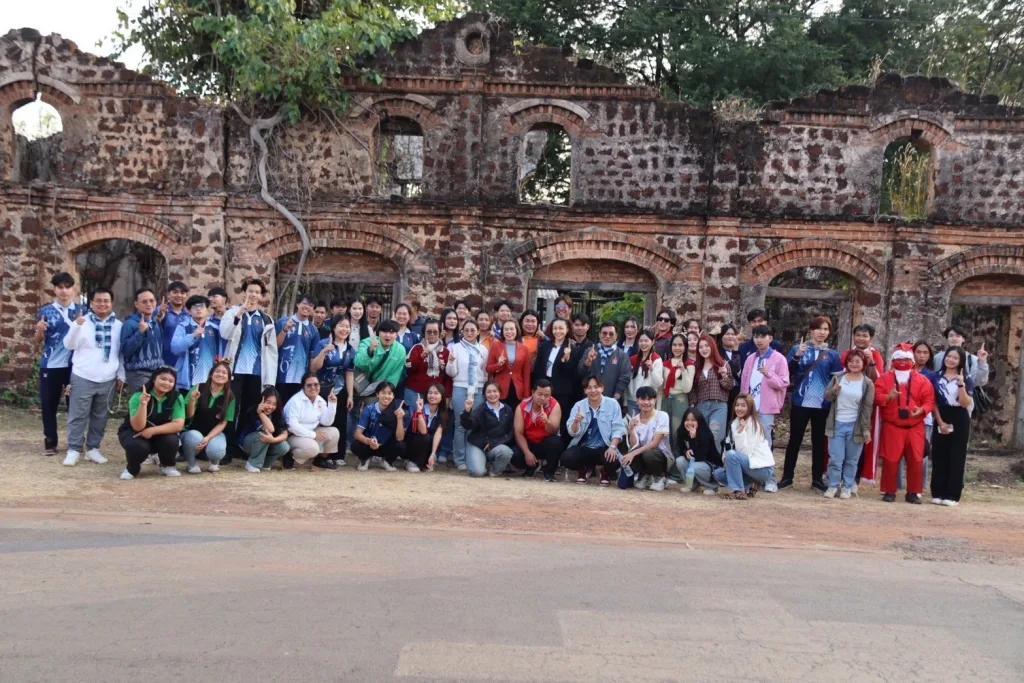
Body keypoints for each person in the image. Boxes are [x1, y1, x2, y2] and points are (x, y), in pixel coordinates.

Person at [62, 288, 124, 467]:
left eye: (106, 301)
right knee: (78, 415)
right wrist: (76, 326)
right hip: (83, 375)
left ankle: (93, 448)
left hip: (108, 378)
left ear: (111, 303)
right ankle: (74, 449)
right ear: (91, 302)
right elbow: (69, 345)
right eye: (98, 300)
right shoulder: (83, 321)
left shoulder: (118, 325)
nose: (102, 304)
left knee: (100, 416)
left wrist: (121, 375)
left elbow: (120, 353)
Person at [781, 316, 843, 492]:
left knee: (819, 443)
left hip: (822, 404)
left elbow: (836, 378)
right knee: (794, 440)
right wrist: (796, 357)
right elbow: (787, 372)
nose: (822, 332)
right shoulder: (798, 349)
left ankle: (817, 479)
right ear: (811, 331)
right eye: (819, 328)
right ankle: (787, 477)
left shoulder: (832, 355)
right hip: (801, 401)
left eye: (825, 329)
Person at [220, 278, 278, 446]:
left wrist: (270, 379)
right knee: (231, 408)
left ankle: (242, 444)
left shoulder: (267, 320)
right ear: (244, 293)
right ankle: (228, 446)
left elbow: (272, 351)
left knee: (250, 409)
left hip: (257, 372)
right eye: (250, 291)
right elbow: (225, 334)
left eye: (257, 292)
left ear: (261, 296)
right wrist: (239, 314)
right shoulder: (232, 313)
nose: (253, 295)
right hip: (235, 369)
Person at [875, 343, 936, 504]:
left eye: (906, 359)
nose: (903, 362)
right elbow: (877, 397)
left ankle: (914, 492)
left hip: (915, 427)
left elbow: (929, 401)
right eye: (900, 359)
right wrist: (887, 397)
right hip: (892, 426)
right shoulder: (884, 379)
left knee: (916, 460)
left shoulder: (922, 380)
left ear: (912, 361)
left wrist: (922, 410)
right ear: (893, 361)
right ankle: (889, 491)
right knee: (890, 459)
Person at [35, 272, 82, 456]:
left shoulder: (82, 311)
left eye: (67, 287)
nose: (64, 291)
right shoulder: (46, 311)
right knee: (49, 405)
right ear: (54, 289)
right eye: (60, 287)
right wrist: (40, 331)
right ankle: (50, 442)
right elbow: (39, 340)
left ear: (73, 289)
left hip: (75, 365)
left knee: (75, 406)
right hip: (51, 364)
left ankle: (76, 441)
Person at [823, 350, 875, 499]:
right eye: (850, 361)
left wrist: (866, 430)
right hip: (836, 423)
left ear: (863, 363)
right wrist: (834, 390)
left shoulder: (867, 383)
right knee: (836, 458)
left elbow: (867, 408)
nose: (854, 364)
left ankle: (847, 486)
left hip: (855, 426)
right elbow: (827, 397)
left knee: (852, 460)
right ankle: (833, 485)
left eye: (857, 361)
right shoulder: (838, 378)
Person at [117, 366, 186, 479]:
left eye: (171, 381)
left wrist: (152, 431)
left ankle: (167, 465)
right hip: (135, 432)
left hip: (160, 432)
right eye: (163, 379)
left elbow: (178, 425)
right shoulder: (138, 396)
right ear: (154, 379)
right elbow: (137, 427)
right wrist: (143, 404)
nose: (166, 383)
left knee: (172, 440)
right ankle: (132, 468)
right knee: (138, 446)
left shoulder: (177, 397)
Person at [930, 347, 975, 507]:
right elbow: (933, 402)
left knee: (956, 455)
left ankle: (952, 495)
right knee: (939, 454)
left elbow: (965, 403)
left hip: (959, 417)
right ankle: (938, 492)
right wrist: (940, 422)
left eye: (955, 358)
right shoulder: (936, 377)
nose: (951, 360)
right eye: (949, 356)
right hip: (941, 414)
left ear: (961, 361)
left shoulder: (967, 379)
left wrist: (961, 385)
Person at [841, 324, 885, 485]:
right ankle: (839, 475)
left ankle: (855, 477)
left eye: (865, 336)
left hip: (865, 405)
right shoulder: (847, 354)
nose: (861, 338)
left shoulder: (875, 355)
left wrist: (871, 363)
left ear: (871, 339)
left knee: (860, 440)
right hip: (845, 404)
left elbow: (878, 380)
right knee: (842, 440)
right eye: (858, 335)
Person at [563, 376, 626, 486]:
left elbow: (618, 428)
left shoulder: (613, 404)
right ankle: (583, 471)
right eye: (589, 388)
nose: (593, 391)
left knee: (615, 459)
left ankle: (604, 473)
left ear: (602, 388)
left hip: (605, 447)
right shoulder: (579, 405)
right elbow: (572, 433)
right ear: (585, 390)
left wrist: (612, 447)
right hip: (584, 447)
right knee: (567, 458)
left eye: (596, 387)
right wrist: (576, 422)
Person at [310, 316, 356, 466]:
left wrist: (350, 395)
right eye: (341, 326)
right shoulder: (323, 343)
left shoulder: (350, 350)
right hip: (322, 389)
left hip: (340, 389)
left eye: (347, 327)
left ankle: (338, 455)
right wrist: (323, 352)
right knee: (323, 421)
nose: (344, 329)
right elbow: (313, 368)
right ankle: (321, 454)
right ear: (334, 328)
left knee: (340, 421)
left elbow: (349, 373)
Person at [711, 394, 775, 500]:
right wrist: (725, 461)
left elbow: (745, 452)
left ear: (750, 407)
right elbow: (727, 447)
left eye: (743, 405)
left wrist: (741, 432)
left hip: (762, 468)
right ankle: (749, 484)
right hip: (747, 465)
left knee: (732, 455)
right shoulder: (734, 423)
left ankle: (738, 491)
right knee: (718, 474)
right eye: (737, 405)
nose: (739, 408)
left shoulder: (754, 424)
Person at [739, 324, 790, 456]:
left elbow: (783, 383)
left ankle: (766, 468)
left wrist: (769, 375)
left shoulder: (779, 359)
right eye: (756, 337)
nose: (759, 340)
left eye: (762, 337)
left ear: (770, 338)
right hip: (750, 406)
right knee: (747, 440)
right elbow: (744, 382)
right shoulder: (751, 358)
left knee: (764, 441)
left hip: (767, 408)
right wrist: (743, 403)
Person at [446, 319, 488, 471]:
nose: (469, 333)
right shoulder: (456, 347)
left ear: (478, 332)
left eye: (472, 330)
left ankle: (472, 458)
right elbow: (451, 373)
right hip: (460, 388)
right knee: (460, 425)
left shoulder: (483, 350)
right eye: (466, 330)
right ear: (462, 332)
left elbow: (485, 371)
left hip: (478, 389)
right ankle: (459, 459)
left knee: (473, 424)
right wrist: (451, 362)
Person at [181, 359, 236, 474]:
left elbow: (223, 422)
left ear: (228, 378)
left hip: (214, 433)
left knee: (217, 450)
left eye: (224, 373)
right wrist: (192, 400)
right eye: (217, 371)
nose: (220, 374)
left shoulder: (230, 397)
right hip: (193, 430)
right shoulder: (198, 388)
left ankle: (214, 462)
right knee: (193, 437)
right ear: (211, 374)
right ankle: (191, 464)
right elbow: (188, 415)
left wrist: (208, 438)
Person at [533, 318, 578, 448]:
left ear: (567, 329)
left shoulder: (571, 348)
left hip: (562, 391)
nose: (558, 331)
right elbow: (539, 368)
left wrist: (565, 359)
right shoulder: (545, 346)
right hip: (544, 387)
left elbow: (573, 374)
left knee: (561, 420)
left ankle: (561, 449)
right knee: (543, 419)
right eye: (555, 328)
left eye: (561, 328)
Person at [283, 372, 341, 470]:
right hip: (293, 435)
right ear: (303, 387)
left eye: (316, 384)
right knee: (312, 448)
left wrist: (332, 404)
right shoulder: (295, 401)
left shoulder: (320, 401)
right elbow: (292, 426)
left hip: (310, 433)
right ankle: (288, 457)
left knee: (334, 432)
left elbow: (327, 422)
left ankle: (320, 461)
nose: (313, 388)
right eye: (309, 385)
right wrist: (313, 435)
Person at [511, 378, 563, 481]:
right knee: (514, 454)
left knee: (556, 442)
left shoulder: (555, 405)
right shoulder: (522, 406)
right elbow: (518, 433)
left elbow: (554, 431)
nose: (542, 398)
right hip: (528, 442)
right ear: (533, 393)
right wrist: (527, 452)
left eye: (546, 395)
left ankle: (549, 472)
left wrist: (547, 421)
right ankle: (531, 466)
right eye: (539, 394)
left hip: (545, 441)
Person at [622, 386, 673, 491]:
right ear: (637, 401)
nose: (646, 402)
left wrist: (633, 453)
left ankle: (660, 477)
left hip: (660, 456)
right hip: (642, 454)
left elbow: (655, 443)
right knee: (623, 483)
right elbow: (634, 446)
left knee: (648, 453)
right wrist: (631, 430)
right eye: (642, 399)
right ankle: (645, 474)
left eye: (649, 399)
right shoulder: (635, 419)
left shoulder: (662, 416)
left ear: (655, 400)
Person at [460, 380, 515, 477]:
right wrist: (467, 412)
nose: (492, 394)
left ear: (500, 392)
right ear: (484, 395)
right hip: (477, 445)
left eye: (495, 391)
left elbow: (510, 432)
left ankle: (494, 471)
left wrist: (493, 443)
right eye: (488, 392)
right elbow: (469, 425)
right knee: (477, 472)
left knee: (506, 452)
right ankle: (480, 463)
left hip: (495, 446)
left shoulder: (507, 410)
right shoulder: (480, 409)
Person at [690, 334, 735, 449]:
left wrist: (724, 376)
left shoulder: (722, 364)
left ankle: (716, 460)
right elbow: (693, 388)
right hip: (701, 407)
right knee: (702, 437)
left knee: (715, 437)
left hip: (718, 406)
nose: (704, 349)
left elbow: (730, 386)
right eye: (701, 347)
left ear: (712, 346)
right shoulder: (696, 366)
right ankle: (703, 460)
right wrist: (693, 403)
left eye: (707, 346)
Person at [275, 293, 320, 407]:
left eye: (311, 305)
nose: (307, 307)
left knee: (296, 408)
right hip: (281, 375)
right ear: (297, 304)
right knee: (279, 407)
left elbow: (312, 356)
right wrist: (285, 330)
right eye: (304, 303)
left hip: (301, 378)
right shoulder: (282, 322)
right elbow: (274, 347)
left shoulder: (313, 330)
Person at [352, 382, 407, 471]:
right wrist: (369, 441)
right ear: (377, 394)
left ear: (393, 396)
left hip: (386, 446)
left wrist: (400, 419)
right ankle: (365, 458)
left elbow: (400, 438)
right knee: (355, 445)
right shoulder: (369, 409)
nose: (386, 396)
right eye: (383, 393)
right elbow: (357, 434)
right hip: (370, 444)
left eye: (389, 393)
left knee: (401, 445)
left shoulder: (397, 410)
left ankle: (387, 460)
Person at [171, 295, 222, 391]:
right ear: (189, 311)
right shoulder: (183, 327)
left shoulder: (215, 328)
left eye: (202, 306)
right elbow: (175, 348)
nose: (198, 309)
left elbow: (220, 352)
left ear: (207, 310)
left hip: (209, 377)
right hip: (188, 378)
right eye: (194, 307)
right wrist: (193, 336)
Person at [120, 287, 164, 394]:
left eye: (151, 300)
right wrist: (140, 333)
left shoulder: (155, 323)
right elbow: (126, 351)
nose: (149, 304)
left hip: (157, 373)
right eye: (144, 302)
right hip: (138, 374)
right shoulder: (130, 324)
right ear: (136, 304)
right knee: (142, 403)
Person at [239, 388, 291, 473]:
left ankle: (265, 463)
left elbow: (285, 434)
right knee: (264, 435)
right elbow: (270, 429)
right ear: (261, 401)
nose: (270, 407)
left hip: (266, 443)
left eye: (274, 404)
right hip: (249, 443)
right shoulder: (253, 410)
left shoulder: (278, 413)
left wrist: (273, 440)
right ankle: (253, 463)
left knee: (284, 446)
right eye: (268, 402)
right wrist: (260, 413)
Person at [578, 321, 631, 402]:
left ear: (616, 336)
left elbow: (624, 379)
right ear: (600, 335)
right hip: (589, 399)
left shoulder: (623, 356)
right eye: (604, 333)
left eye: (611, 334)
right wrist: (588, 361)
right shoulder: (589, 351)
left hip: (611, 400)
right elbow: (581, 372)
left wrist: (615, 399)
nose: (607, 336)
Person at [662, 333, 695, 458]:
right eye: (674, 345)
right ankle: (665, 463)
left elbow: (687, 388)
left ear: (685, 347)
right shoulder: (665, 364)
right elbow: (661, 386)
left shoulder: (689, 364)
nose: (677, 348)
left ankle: (677, 464)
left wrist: (683, 370)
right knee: (664, 433)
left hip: (680, 401)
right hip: (665, 400)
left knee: (677, 433)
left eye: (680, 345)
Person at [406, 319, 451, 408]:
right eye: (429, 332)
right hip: (415, 393)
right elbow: (408, 367)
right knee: (414, 416)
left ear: (440, 333)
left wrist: (447, 395)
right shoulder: (417, 348)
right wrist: (422, 356)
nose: (432, 334)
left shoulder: (445, 351)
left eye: (435, 332)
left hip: (436, 395)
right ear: (424, 333)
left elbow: (448, 376)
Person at [677, 408, 723, 494]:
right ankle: (691, 484)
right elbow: (680, 450)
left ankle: (713, 487)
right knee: (680, 460)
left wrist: (694, 438)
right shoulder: (681, 431)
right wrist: (686, 452)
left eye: (693, 420)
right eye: (687, 420)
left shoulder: (705, 433)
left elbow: (700, 456)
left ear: (699, 421)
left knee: (695, 466)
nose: (690, 423)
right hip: (696, 463)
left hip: (711, 466)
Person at [487, 320, 531, 409]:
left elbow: (526, 373)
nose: (509, 332)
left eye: (511, 329)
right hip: (500, 389)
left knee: (516, 415)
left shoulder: (524, 348)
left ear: (516, 330)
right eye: (506, 329)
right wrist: (498, 364)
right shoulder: (496, 345)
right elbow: (488, 369)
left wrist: (526, 395)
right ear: (502, 332)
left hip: (517, 389)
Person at [355, 320, 409, 392]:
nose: (388, 335)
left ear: (396, 335)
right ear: (379, 333)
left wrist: (386, 390)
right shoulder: (367, 342)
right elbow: (358, 363)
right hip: (360, 385)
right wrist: (369, 351)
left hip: (382, 389)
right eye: (384, 332)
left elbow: (395, 374)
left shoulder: (400, 350)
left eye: (391, 332)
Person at [405, 384, 446, 472]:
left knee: (434, 438)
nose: (432, 395)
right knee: (426, 437)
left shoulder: (442, 413)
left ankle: (424, 462)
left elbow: (438, 434)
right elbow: (423, 431)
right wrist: (419, 411)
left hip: (427, 444)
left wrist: (433, 454)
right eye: (430, 393)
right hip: (413, 442)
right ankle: (412, 461)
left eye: (436, 393)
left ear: (442, 396)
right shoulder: (421, 408)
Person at [626, 329, 664, 413]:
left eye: (646, 341)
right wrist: (625, 401)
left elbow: (658, 383)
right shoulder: (633, 359)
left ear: (653, 342)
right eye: (641, 341)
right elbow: (628, 381)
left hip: (648, 401)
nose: (643, 343)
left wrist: (651, 369)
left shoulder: (656, 359)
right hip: (633, 400)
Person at [158, 281, 191, 367]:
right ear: (168, 294)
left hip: (185, 360)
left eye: (182, 293)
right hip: (164, 359)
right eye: (175, 292)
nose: (179, 295)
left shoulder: (190, 314)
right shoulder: (160, 311)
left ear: (186, 295)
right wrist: (159, 316)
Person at [206, 286, 230, 357]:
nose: (210, 299)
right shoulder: (208, 321)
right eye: (209, 297)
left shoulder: (234, 317)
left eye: (214, 296)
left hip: (231, 357)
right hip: (213, 358)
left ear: (224, 299)